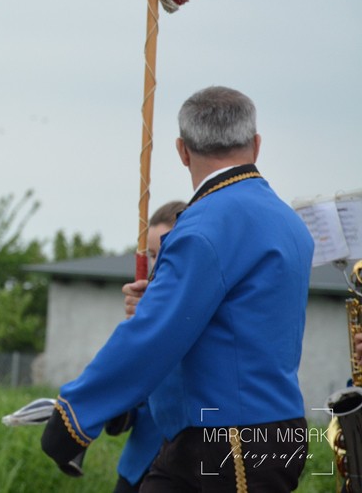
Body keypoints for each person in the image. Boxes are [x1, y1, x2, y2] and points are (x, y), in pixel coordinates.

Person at [41, 85, 314, 492]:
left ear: (182, 151)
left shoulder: (204, 228)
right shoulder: (288, 222)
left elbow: (154, 335)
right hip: (254, 433)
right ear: (256, 145)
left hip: (229, 437)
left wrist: (75, 414)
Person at [110, 200, 187, 493]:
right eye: (151, 255)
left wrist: (157, 321)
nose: (156, 265)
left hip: (187, 464)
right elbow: (135, 398)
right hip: (137, 467)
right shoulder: (143, 307)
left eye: (163, 254)